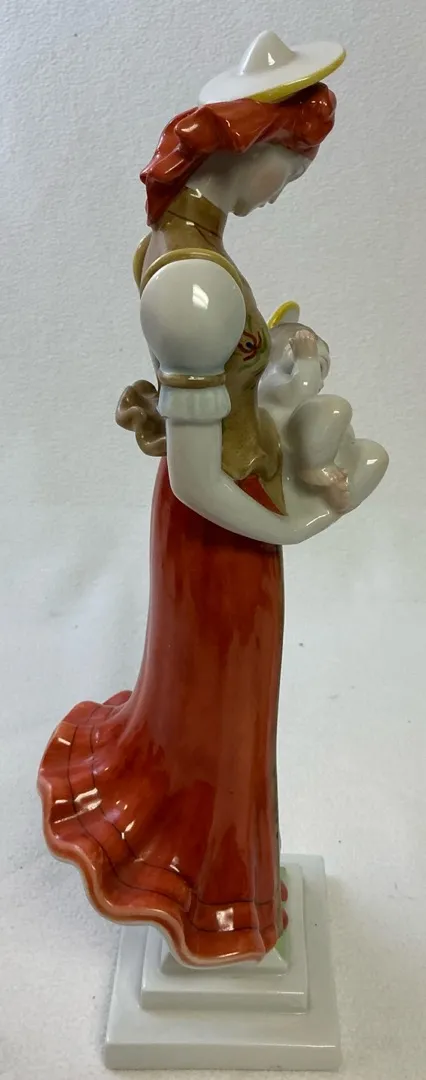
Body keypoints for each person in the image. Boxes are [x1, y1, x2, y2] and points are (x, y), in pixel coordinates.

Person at [38, 31, 388, 967]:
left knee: (210, 701)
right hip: (221, 525)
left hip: (217, 508)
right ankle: (208, 889)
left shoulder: (188, 246)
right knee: (225, 707)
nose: (284, 190)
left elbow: (210, 415)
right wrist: (298, 523)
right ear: (251, 144)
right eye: (290, 169)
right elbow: (198, 479)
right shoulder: (195, 284)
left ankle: (215, 867)